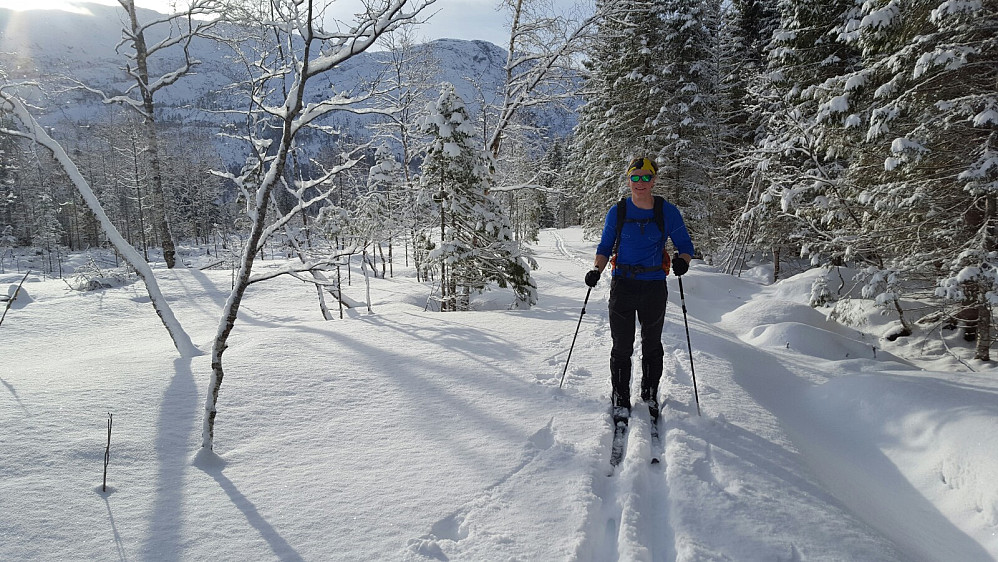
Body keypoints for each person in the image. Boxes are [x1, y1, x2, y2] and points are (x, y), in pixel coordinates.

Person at [584, 157, 695, 424]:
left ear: (654, 180)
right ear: (628, 180)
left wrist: (683, 261)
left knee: (652, 343)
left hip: (654, 285)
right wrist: (596, 271)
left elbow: (685, 246)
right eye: (636, 177)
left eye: (647, 177)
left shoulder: (667, 211)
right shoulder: (618, 212)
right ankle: (620, 398)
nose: (641, 183)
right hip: (623, 284)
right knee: (621, 346)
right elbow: (605, 246)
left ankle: (649, 391)